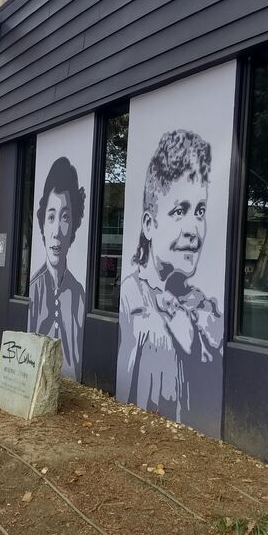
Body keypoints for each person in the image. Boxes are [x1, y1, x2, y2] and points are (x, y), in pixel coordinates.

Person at [116, 130, 223, 427]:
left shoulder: (203, 306)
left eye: (200, 211)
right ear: (149, 224)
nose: (193, 228)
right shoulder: (134, 297)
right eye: (180, 211)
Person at [28, 157, 86, 381]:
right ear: (42, 223)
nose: (56, 231)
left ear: (73, 225)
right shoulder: (33, 289)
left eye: (65, 217)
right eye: (51, 217)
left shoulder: (79, 295)